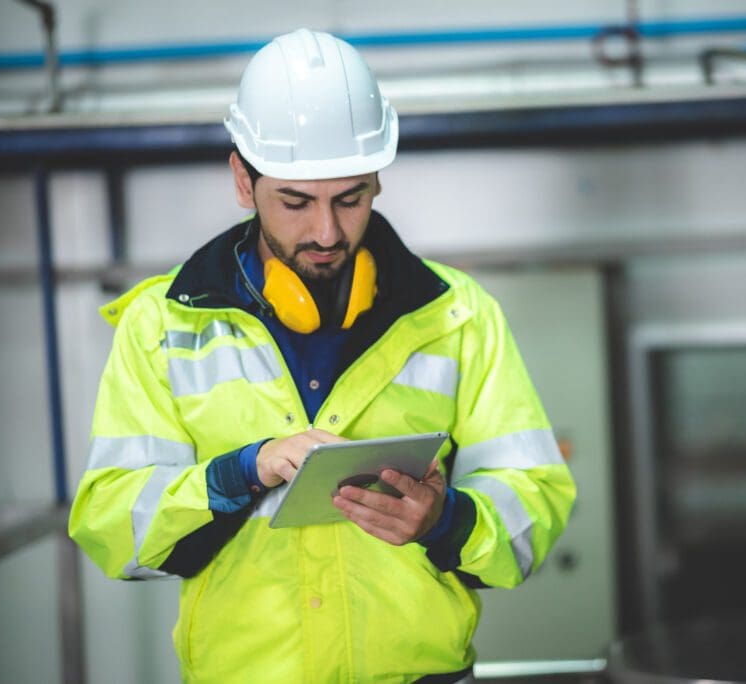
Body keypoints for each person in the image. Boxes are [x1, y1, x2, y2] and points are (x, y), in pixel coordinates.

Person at [68, 28, 575, 684]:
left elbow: (536, 498)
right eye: (297, 201)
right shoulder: (161, 327)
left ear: (378, 182)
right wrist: (235, 475)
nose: (327, 232)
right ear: (242, 181)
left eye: (351, 197)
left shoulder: (459, 317)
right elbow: (113, 523)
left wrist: (447, 519)